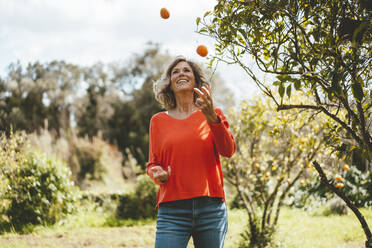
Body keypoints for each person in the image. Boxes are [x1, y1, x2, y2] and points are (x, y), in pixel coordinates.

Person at [147, 56, 236, 248]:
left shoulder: (213, 113)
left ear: (195, 79)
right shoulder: (158, 121)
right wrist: (156, 174)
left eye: (186, 70)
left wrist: (212, 117)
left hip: (210, 210)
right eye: (175, 71)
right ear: (170, 83)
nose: (181, 73)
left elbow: (228, 151)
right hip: (172, 210)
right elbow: (153, 164)